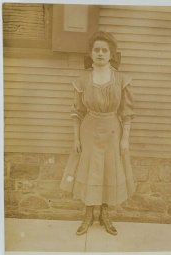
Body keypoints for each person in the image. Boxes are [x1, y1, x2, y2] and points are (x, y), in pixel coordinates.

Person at [60, 31, 135, 236]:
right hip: (89, 130)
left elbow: (127, 113)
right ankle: (87, 215)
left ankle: (104, 215)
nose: (100, 53)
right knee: (89, 170)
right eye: (96, 50)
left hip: (112, 130)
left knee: (108, 170)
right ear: (91, 53)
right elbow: (77, 112)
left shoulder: (121, 79)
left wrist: (125, 139)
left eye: (105, 50)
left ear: (111, 54)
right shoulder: (82, 79)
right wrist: (76, 138)